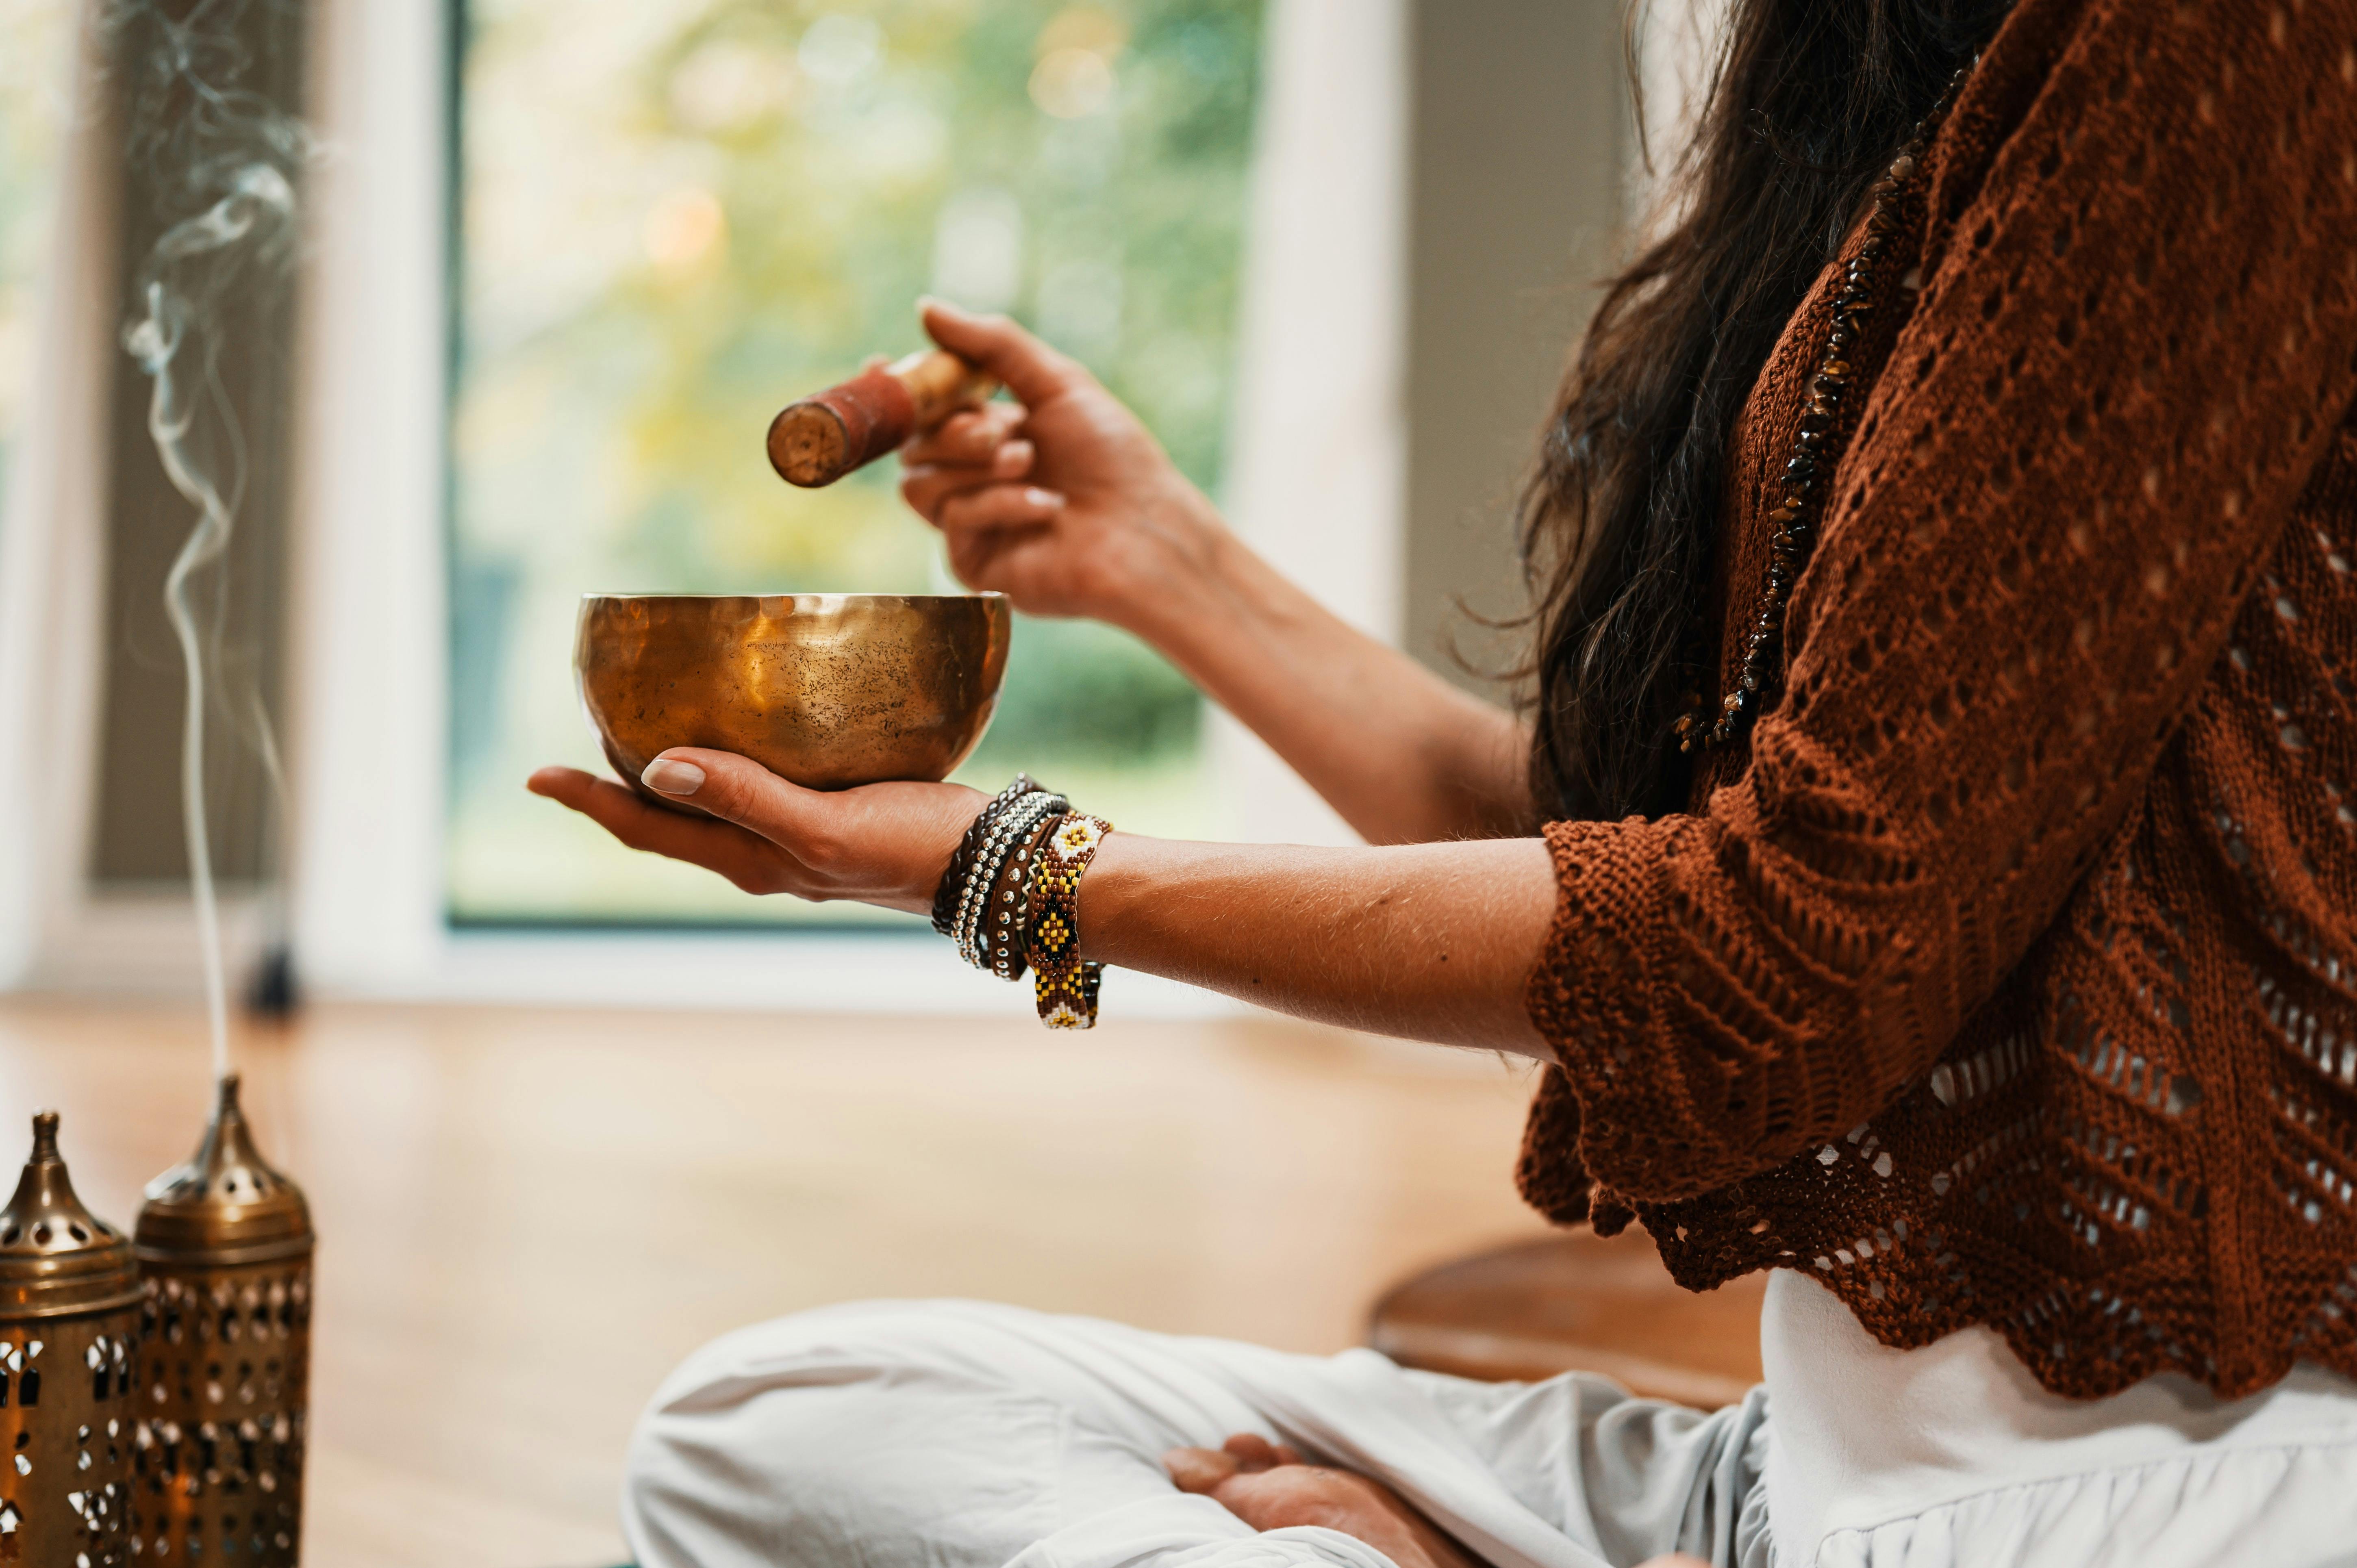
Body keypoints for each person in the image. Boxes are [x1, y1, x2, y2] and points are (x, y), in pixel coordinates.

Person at [527, 0, 2357, 1561]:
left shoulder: (2223, 39)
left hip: (2123, 1506)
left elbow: (1783, 944)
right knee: (781, 1426)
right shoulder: (1919, 77)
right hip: (1785, 1490)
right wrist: (1164, 560)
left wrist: (1012, 871)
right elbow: (1636, 878)